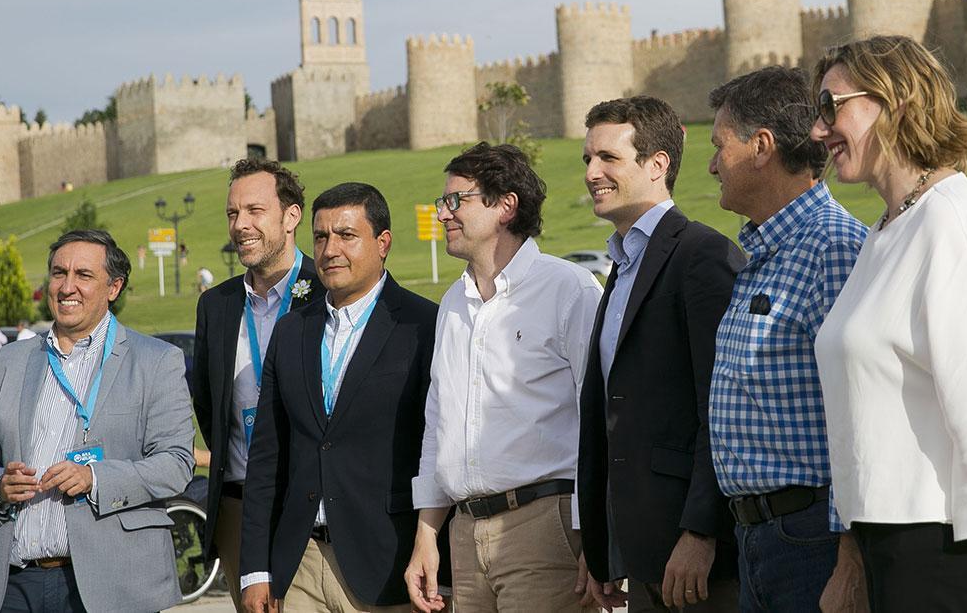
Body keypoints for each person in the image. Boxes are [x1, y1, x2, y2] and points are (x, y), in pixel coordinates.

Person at [810, 35, 967, 611]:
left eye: (832, 107)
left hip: (950, 548)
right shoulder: (888, 229)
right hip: (890, 544)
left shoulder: (951, 223)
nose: (818, 129)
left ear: (898, 102)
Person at [406, 142, 603, 613]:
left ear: (506, 206)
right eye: (442, 202)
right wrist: (426, 534)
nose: (443, 214)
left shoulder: (569, 289)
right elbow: (438, 425)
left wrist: (595, 533)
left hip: (544, 527)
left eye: (457, 200)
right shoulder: (452, 303)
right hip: (465, 534)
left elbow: (599, 418)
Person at [0, 229, 195, 612]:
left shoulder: (156, 361)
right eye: (59, 273)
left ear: (113, 287)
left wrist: (95, 478)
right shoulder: (10, 362)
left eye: (83, 275)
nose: (67, 287)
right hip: (17, 582)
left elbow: (176, 464)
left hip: (111, 583)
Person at [706, 66, 868, 612]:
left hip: (812, 541)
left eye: (719, 147)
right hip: (761, 539)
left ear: (761, 147)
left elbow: (861, 417)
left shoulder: (832, 249)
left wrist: (851, 560)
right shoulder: (767, 253)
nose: (711, 165)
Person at [240, 182, 444, 613]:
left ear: (383, 243)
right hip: (300, 565)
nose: (330, 249)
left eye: (346, 235)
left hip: (386, 565)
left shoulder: (424, 325)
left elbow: (439, 447)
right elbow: (267, 457)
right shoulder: (292, 330)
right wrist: (256, 569)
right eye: (321, 236)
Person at [577, 97, 744, 612]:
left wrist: (701, 532)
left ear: (657, 164)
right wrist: (603, 545)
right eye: (588, 159)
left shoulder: (701, 255)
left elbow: (721, 409)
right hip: (641, 554)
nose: (592, 173)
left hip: (695, 560)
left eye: (608, 157)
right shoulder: (623, 263)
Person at [193, 158, 322, 613]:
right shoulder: (216, 305)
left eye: (254, 211)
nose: (240, 225)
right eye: (233, 213)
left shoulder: (327, 290)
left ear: (291, 216)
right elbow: (208, 404)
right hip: (239, 506)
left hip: (311, 508)